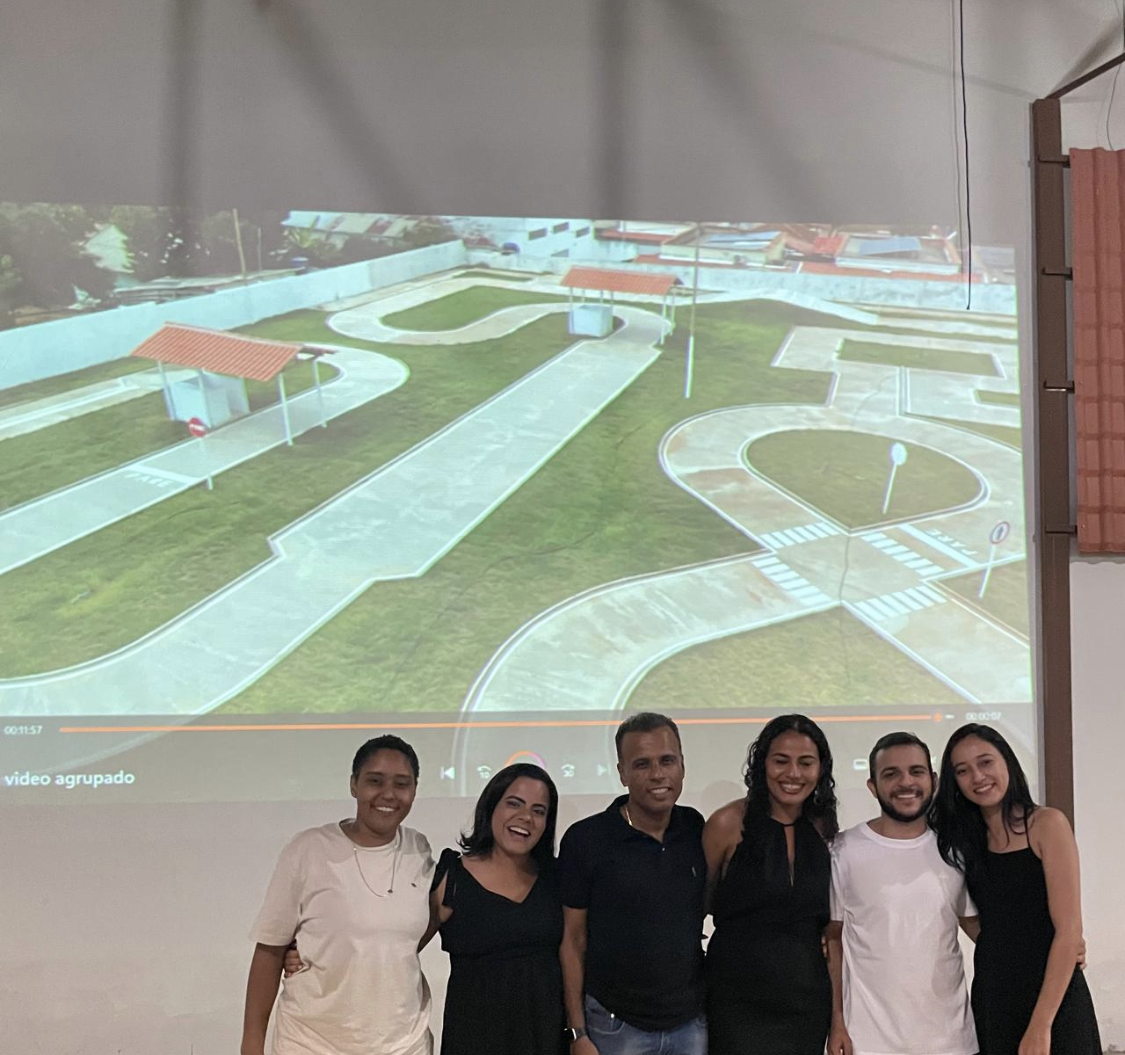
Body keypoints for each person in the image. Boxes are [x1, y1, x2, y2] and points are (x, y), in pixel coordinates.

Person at [241, 735, 435, 1055]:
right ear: (354, 785)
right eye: (375, 781)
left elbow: (411, 930)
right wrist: (251, 1044)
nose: (388, 794)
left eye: (402, 784)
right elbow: (269, 950)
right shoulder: (309, 849)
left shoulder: (419, 849)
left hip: (404, 1044)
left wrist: (332, 951)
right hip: (311, 1043)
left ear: (414, 790)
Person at [933, 723, 1101, 1055]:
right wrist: (1002, 947)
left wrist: (1041, 1026)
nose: (978, 777)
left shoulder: (1046, 824)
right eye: (963, 771)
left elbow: (1069, 931)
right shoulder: (963, 840)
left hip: (1054, 998)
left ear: (1007, 761)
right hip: (995, 995)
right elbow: (965, 912)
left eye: (985, 762)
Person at [559, 712, 707, 1055]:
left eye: (667, 760)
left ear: (682, 766)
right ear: (622, 772)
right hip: (615, 1026)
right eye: (642, 764)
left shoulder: (694, 827)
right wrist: (577, 1032)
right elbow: (572, 940)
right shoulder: (586, 840)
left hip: (690, 1023)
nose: (657, 774)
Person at [825, 731, 978, 1055]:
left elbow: (978, 929)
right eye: (891, 774)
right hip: (868, 1042)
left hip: (951, 1041)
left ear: (933, 780)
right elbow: (832, 939)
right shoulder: (844, 850)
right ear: (872, 786)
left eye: (916, 771)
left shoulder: (954, 850)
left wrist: (1052, 947)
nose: (905, 782)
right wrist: (836, 1021)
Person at [702, 713, 838, 1055]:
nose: (793, 773)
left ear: (820, 769)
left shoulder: (823, 827)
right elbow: (698, 906)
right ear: (762, 763)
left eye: (805, 763)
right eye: (781, 761)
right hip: (735, 1003)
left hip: (807, 1003)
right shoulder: (726, 824)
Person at [431, 762, 566, 1055]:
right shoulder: (452, 878)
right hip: (474, 1042)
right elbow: (399, 949)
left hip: (547, 1040)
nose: (525, 817)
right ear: (491, 806)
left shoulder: (558, 878)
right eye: (514, 803)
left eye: (538, 811)